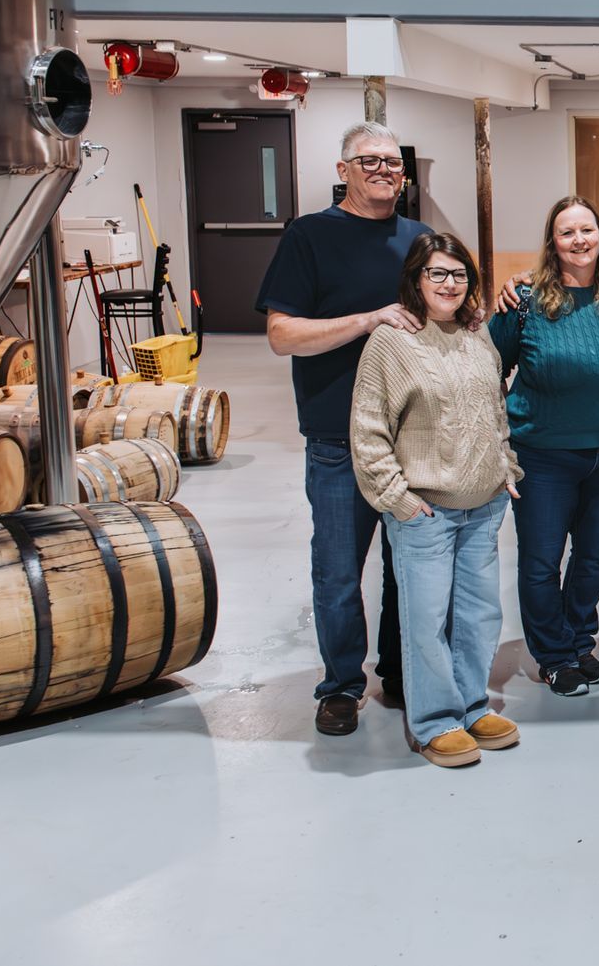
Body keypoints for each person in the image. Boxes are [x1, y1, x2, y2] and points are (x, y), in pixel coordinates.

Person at [256, 122, 429, 737]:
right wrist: (368, 319)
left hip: (413, 437)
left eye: (392, 162)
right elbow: (282, 335)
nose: (384, 170)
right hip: (338, 438)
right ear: (343, 169)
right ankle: (340, 685)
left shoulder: (419, 238)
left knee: (409, 566)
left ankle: (403, 672)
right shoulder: (309, 236)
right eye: (370, 161)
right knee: (337, 571)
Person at [350, 234, 522, 768]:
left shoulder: (477, 336)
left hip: (483, 505)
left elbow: (494, 408)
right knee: (425, 620)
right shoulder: (392, 341)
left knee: (478, 616)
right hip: (425, 510)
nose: (449, 284)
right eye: (437, 273)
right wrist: (397, 499)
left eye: (459, 274)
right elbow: (368, 430)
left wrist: (505, 468)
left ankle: (472, 708)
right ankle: (432, 722)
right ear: (416, 280)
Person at [489, 197, 599, 698]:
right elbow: (488, 368)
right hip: (544, 455)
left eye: (587, 230)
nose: (579, 240)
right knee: (541, 561)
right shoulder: (526, 300)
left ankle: (579, 642)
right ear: (552, 243)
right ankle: (553, 655)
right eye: (566, 232)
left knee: (595, 557)